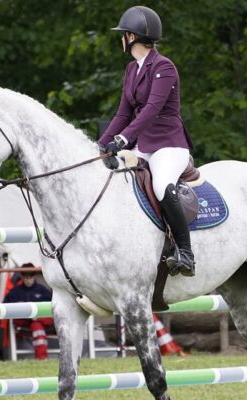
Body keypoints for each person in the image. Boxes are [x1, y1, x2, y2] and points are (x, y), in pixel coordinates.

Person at [98, 6, 195, 277]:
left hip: (169, 144)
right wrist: (100, 145)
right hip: (142, 146)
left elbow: (152, 109)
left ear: (130, 37)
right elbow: (122, 113)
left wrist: (123, 138)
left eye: (122, 35)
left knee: (162, 185)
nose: (120, 40)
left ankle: (186, 252)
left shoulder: (164, 66)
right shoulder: (132, 69)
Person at [4, 263, 54, 359]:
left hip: (40, 322)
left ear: (34, 276)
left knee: (37, 324)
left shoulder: (42, 290)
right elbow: (5, 305)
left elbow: (53, 306)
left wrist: (37, 316)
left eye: (30, 277)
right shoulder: (16, 291)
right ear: (22, 277)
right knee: (36, 324)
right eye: (26, 277)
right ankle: (42, 358)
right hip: (23, 322)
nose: (28, 280)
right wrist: (19, 305)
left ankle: (41, 358)